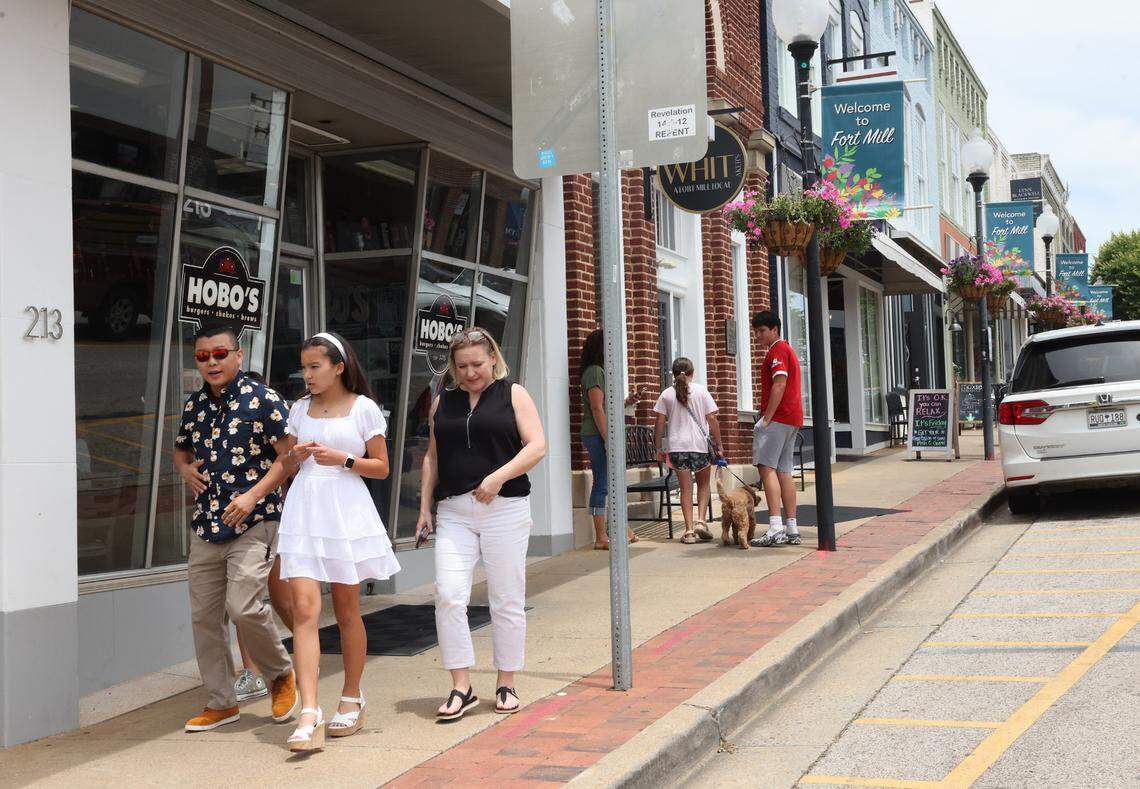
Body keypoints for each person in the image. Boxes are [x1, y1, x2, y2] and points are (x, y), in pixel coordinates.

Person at [250, 332, 402, 751]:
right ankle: (310, 712)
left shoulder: (363, 407)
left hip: (345, 509)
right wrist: (288, 465)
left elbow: (382, 468)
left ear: (338, 367)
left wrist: (344, 459)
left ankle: (352, 696)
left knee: (347, 609)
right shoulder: (299, 408)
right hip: (304, 509)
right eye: (304, 367)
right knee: (303, 609)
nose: (308, 374)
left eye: (316, 366)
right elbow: (287, 464)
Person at [415, 327, 546, 720]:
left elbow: (537, 445)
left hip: (504, 508)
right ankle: (461, 686)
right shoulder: (443, 401)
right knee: (449, 596)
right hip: (454, 510)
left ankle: (506, 680)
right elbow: (432, 458)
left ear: (492, 357)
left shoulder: (513, 394)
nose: (470, 372)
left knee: (506, 599)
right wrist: (425, 507)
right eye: (461, 366)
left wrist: (497, 477)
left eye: (476, 364)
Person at [173, 325, 297, 733]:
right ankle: (222, 702)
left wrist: (252, 496)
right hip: (206, 524)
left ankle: (280, 674)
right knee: (204, 618)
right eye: (203, 356)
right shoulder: (194, 405)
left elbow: (288, 459)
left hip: (254, 521)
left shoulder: (265, 400)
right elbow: (180, 449)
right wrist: (185, 469)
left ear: (239, 356)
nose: (212, 361)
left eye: (220, 353)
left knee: (243, 606)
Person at [233, 370, 294, 704]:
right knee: (243, 598)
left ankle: (305, 648)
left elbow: (290, 466)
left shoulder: (272, 417)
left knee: (281, 599)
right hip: (237, 525)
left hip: (274, 521)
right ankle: (251, 672)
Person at [578, 328, 644, 549]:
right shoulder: (595, 371)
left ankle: (622, 529)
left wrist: (627, 401)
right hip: (597, 435)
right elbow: (597, 408)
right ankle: (600, 537)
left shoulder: (599, 371)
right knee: (603, 484)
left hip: (599, 434)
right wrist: (608, 439)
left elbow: (606, 406)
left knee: (610, 483)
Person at [652, 358, 723, 545]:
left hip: (677, 447)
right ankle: (701, 520)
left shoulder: (666, 394)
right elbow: (712, 419)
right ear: (692, 372)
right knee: (703, 484)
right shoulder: (701, 391)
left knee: (685, 488)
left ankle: (689, 531)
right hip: (700, 446)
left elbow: (659, 422)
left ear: (673, 374)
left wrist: (658, 446)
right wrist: (719, 444)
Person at [749, 311, 805, 547]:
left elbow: (779, 384)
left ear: (774, 329)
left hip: (778, 418)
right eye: (756, 331)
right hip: (792, 418)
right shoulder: (787, 349)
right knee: (784, 471)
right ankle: (791, 528)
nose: (758, 336)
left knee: (766, 468)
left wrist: (766, 418)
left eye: (762, 331)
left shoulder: (777, 350)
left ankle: (774, 528)